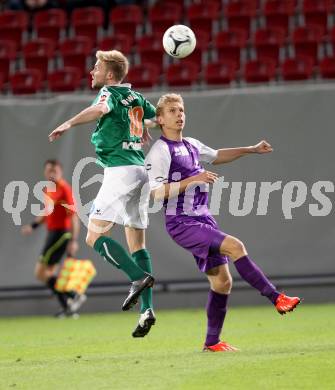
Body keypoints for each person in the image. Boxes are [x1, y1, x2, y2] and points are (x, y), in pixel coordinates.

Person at [145, 93, 301, 352]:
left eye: (181, 110)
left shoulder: (192, 144)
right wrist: (192, 180)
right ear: (160, 119)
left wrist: (250, 150)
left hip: (203, 218)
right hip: (182, 222)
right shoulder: (160, 151)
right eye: (172, 111)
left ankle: (212, 342)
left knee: (222, 282)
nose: (179, 114)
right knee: (236, 246)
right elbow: (155, 193)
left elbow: (217, 155)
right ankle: (277, 298)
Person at [48, 49, 156, 337]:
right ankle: (147, 309)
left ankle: (137, 278)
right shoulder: (136, 97)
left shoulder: (108, 92)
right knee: (136, 241)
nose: (92, 71)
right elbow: (153, 118)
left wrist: (69, 123)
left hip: (119, 172)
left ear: (110, 75)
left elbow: (99, 109)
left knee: (93, 236)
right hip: (140, 171)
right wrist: (142, 126)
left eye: (96, 67)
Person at [21, 159, 84, 317]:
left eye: (55, 171)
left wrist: (74, 241)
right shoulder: (49, 190)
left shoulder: (64, 188)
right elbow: (46, 212)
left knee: (40, 272)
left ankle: (73, 295)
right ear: (45, 172)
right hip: (52, 233)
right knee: (49, 273)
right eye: (49, 170)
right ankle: (68, 308)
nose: (52, 173)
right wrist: (33, 226)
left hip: (61, 234)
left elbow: (74, 216)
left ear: (60, 172)